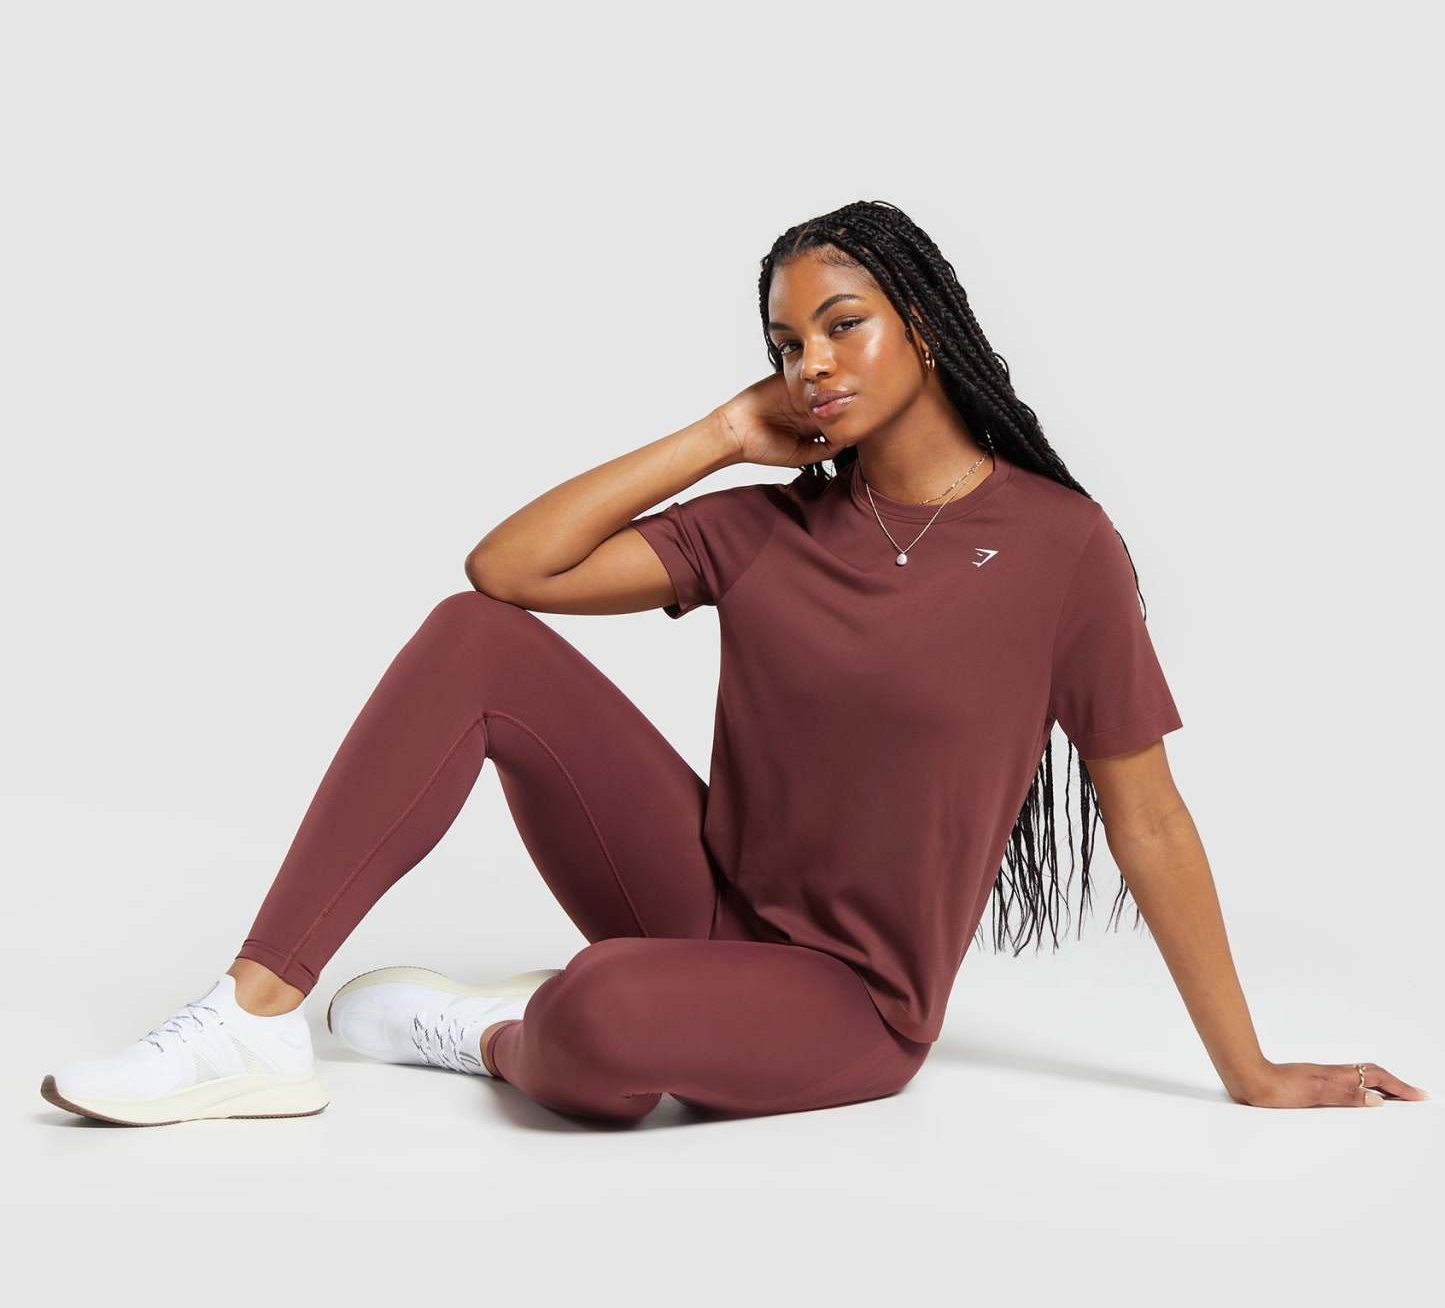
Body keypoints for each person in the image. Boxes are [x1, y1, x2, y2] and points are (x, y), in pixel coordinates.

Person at [41, 199, 1427, 1127]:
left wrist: (1247, 1069)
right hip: (699, 902)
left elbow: (1148, 816)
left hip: (851, 1005)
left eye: (842, 323)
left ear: (922, 323)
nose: (811, 362)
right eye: (784, 343)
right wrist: (717, 436)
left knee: (594, 1012)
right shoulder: (769, 526)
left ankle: (496, 1038)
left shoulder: (1061, 548)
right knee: (473, 644)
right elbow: (507, 573)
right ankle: (250, 1019)